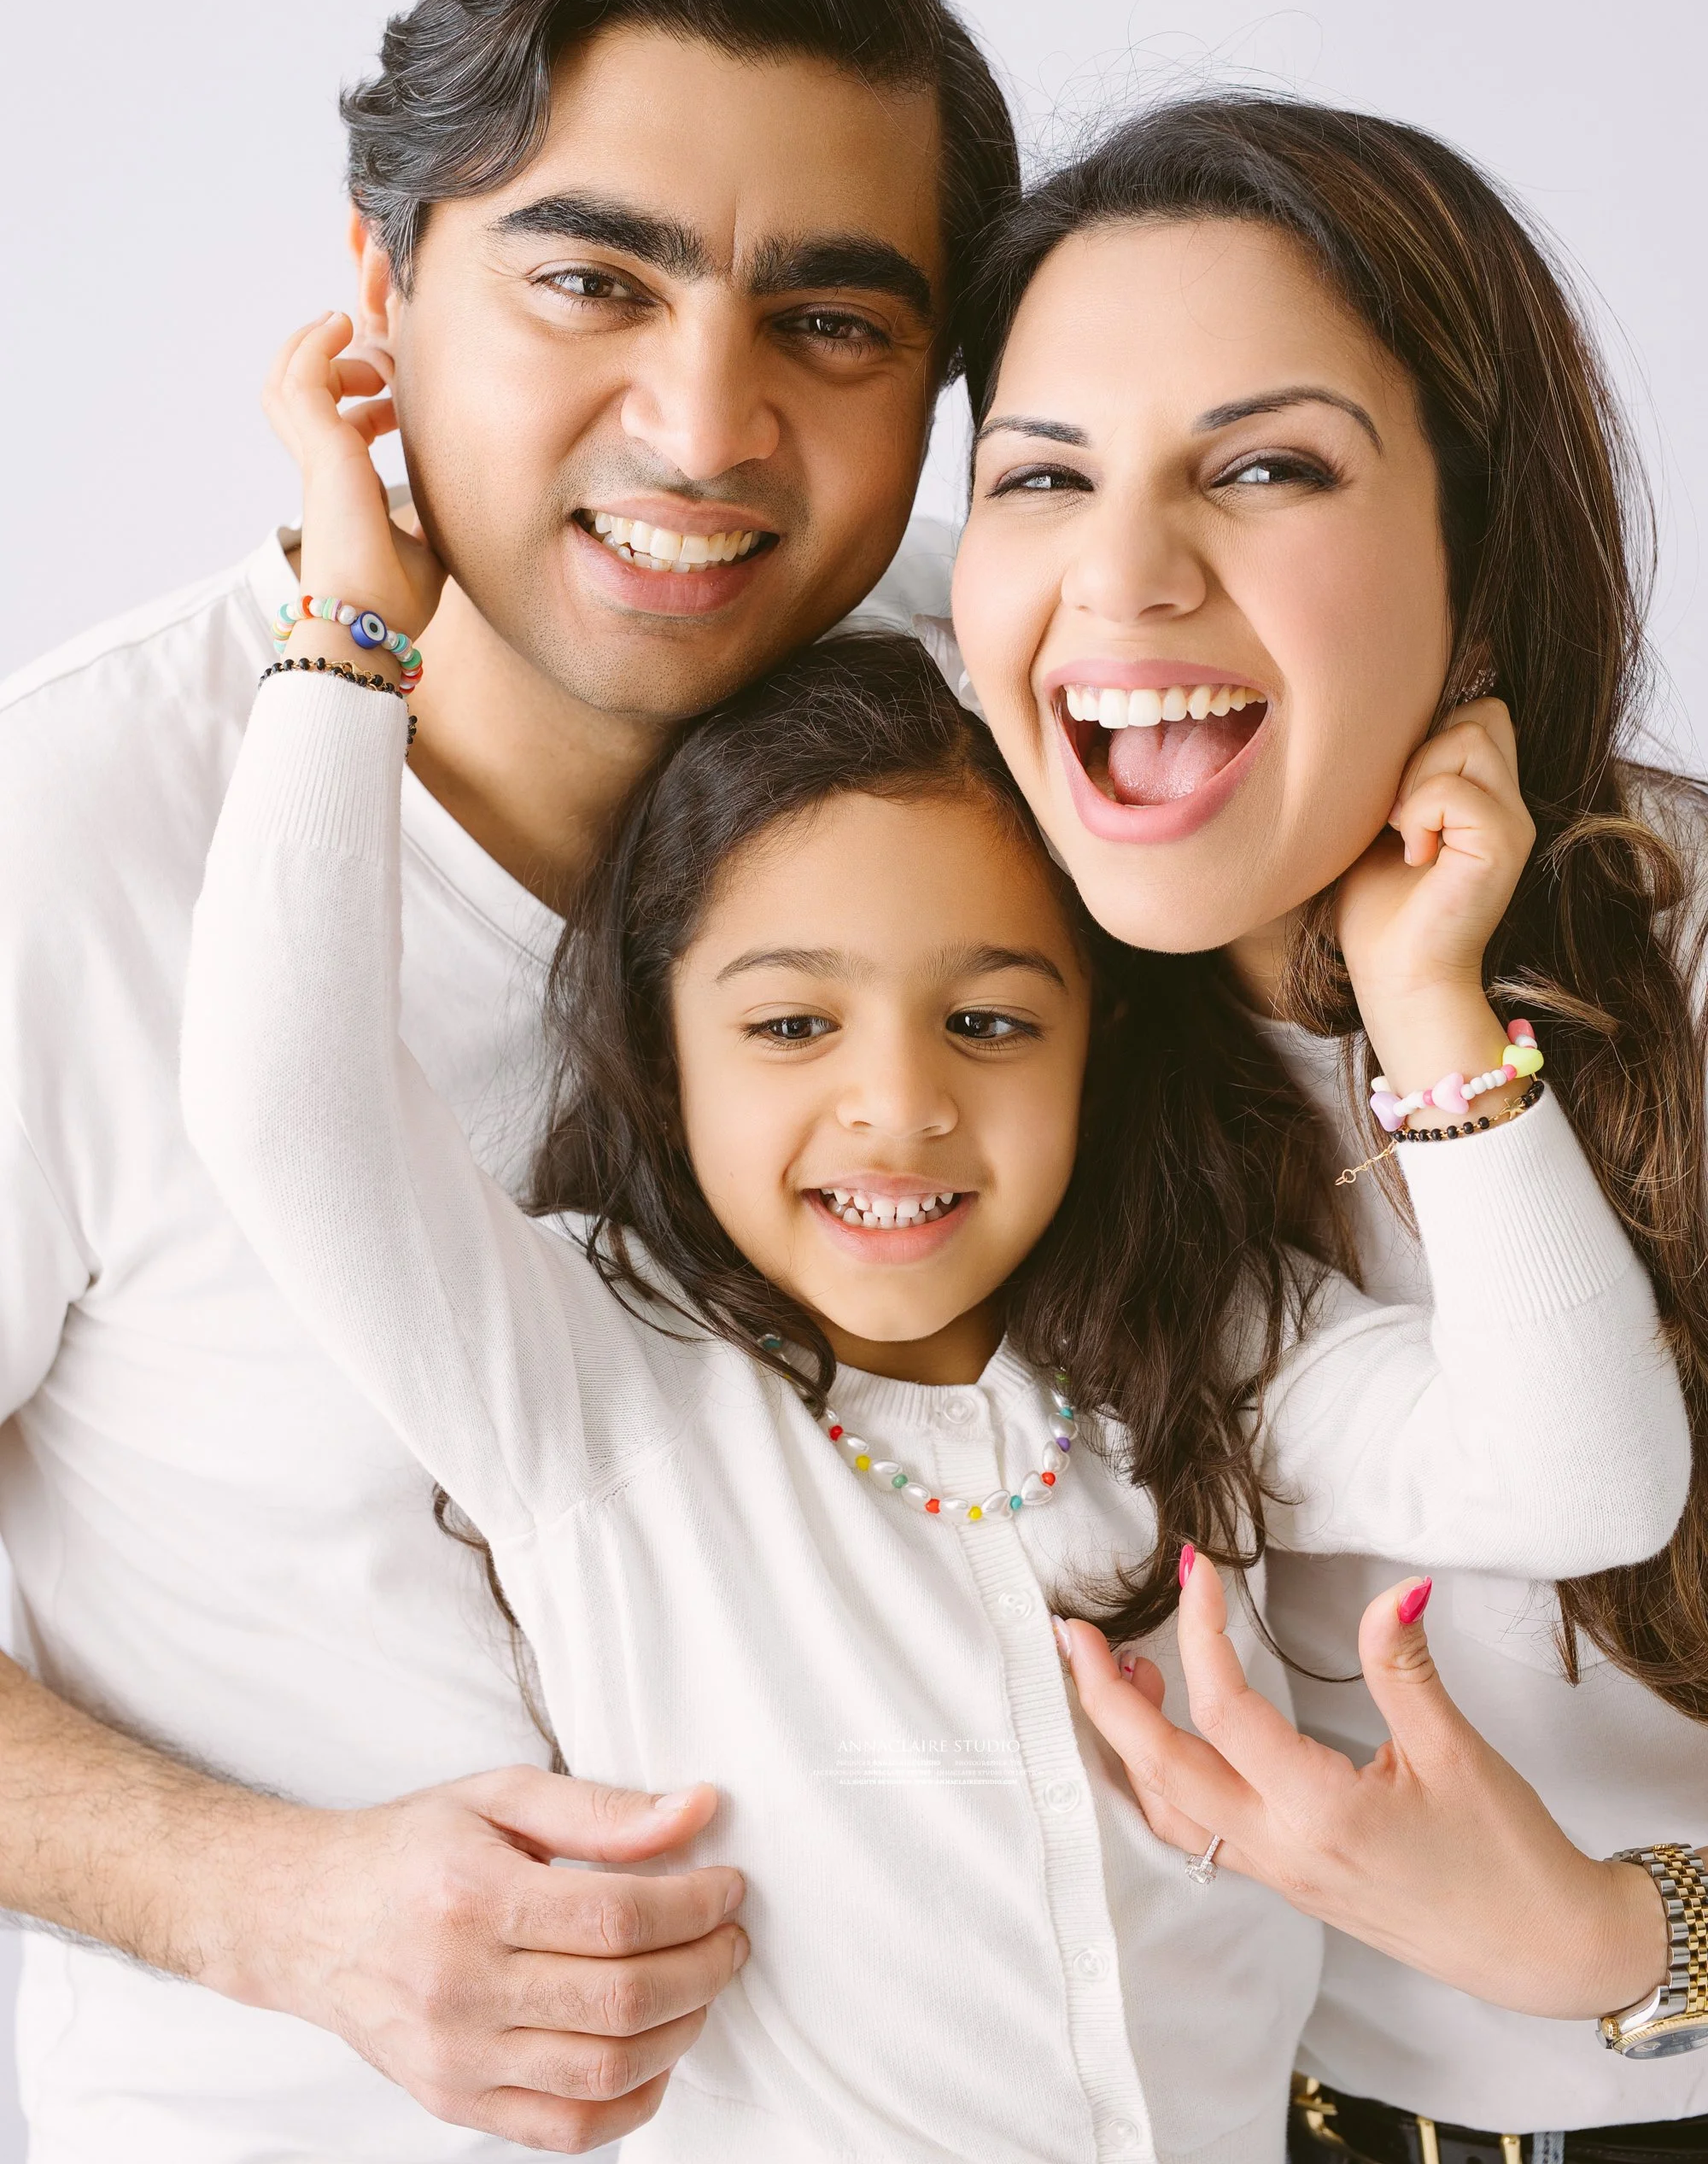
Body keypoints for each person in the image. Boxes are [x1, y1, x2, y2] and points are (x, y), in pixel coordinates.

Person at [177, 297, 1682, 2161]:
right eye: (791, 1023)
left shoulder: (1195, 1354)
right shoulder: (593, 1384)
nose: (897, 1107)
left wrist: (1437, 1011)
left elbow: (1589, 1480)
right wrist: (351, 629)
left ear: (1094, 1041)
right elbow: (281, 1104)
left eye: (987, 1021)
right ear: (663, 1047)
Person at [0, 0, 1017, 2160]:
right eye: (592, 281)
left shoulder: (1017, 726)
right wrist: (277, 1903)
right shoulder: (68, 838)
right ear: (379, 282)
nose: (704, 426)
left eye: (834, 325)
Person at [947, 97, 1708, 2154]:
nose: (1122, 576)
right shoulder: (965, 1030)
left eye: (1265, 466)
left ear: (1479, 558)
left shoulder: (1685, 971)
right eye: (1041, 477)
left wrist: (1618, 1945)